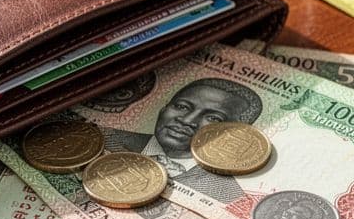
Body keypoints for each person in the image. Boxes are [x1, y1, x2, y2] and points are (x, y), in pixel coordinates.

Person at [105, 78, 264, 205]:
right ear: (164, 108)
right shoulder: (106, 138)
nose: (187, 120)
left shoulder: (227, 196)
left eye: (213, 118)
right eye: (182, 106)